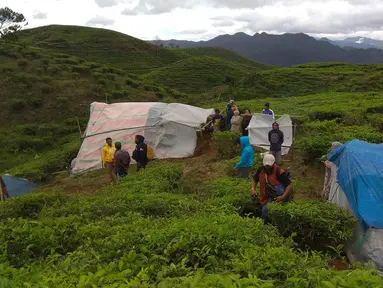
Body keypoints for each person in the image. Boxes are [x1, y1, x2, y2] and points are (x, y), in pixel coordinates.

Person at [251, 154, 292, 218]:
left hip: (275, 198)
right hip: (264, 197)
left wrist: (283, 196)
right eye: (266, 165)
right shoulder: (261, 170)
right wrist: (253, 189)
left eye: (269, 165)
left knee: (265, 211)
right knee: (259, 209)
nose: (267, 167)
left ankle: (263, 225)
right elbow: (255, 179)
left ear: (273, 163)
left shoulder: (279, 172)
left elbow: (289, 185)